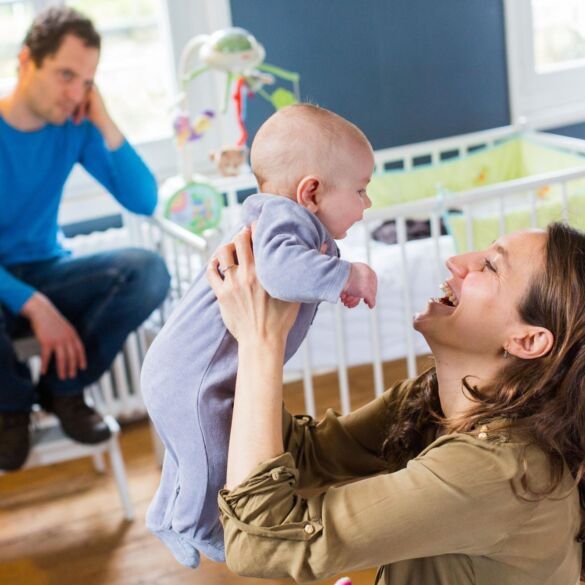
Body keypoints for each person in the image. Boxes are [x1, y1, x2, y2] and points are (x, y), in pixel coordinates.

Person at [208, 222, 585, 584]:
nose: (456, 261)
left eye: (489, 265)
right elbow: (306, 454)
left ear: (528, 341)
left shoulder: (497, 471)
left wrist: (260, 343)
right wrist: (247, 318)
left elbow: (258, 542)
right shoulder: (437, 399)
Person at [141, 103, 378, 568]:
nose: (367, 204)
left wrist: (329, 277)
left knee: (191, 452)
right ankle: (195, 524)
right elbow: (282, 271)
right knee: (210, 459)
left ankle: (163, 512)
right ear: (310, 191)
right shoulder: (285, 220)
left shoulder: (285, 222)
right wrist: (346, 275)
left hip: (182, 373)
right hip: (192, 378)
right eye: (362, 190)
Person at [0, 6, 170, 471]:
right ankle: (11, 410)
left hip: (47, 270)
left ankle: (64, 390)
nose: (76, 92)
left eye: (87, 81)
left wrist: (104, 120)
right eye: (65, 75)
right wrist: (35, 305)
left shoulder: (73, 127)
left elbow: (144, 199)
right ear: (25, 61)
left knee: (148, 271)